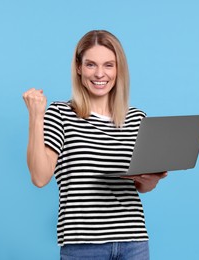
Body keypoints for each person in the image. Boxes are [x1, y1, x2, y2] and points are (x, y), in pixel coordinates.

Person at [22, 30, 167, 260]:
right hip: (83, 245)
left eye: (109, 65)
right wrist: (35, 117)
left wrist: (151, 179)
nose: (100, 74)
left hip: (134, 241)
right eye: (91, 64)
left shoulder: (137, 119)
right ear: (79, 68)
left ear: (119, 69)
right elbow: (40, 178)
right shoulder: (60, 114)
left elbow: (143, 188)